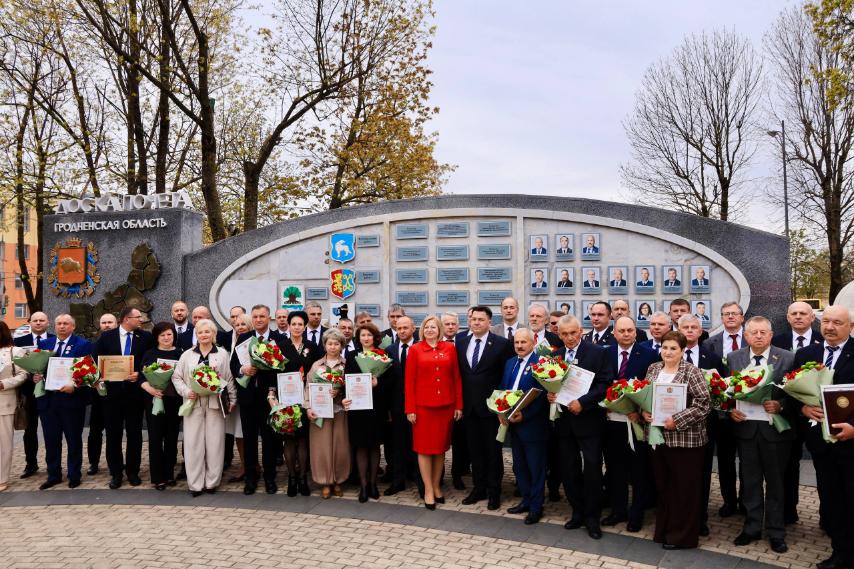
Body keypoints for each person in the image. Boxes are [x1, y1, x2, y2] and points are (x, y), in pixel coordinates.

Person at [727, 316, 794, 554]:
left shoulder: (787, 357)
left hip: (774, 431)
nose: (758, 336)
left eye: (763, 332)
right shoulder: (734, 358)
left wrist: (781, 405)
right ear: (745, 335)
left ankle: (776, 532)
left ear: (771, 335)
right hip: (746, 430)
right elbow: (727, 392)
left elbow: (796, 394)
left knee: (776, 483)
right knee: (750, 481)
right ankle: (752, 527)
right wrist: (730, 410)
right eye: (753, 332)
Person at [794, 305, 854, 569]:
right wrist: (803, 408)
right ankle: (841, 553)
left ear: (851, 327)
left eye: (837, 323)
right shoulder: (807, 354)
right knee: (831, 499)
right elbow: (789, 392)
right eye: (826, 321)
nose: (829, 327)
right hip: (821, 445)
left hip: (851, 444)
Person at [640, 330, 710, 550]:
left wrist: (677, 420)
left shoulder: (692, 372)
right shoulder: (653, 369)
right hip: (658, 438)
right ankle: (664, 530)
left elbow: (704, 404)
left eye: (673, 348)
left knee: (684, 489)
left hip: (685, 441)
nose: (668, 352)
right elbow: (645, 395)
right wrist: (644, 412)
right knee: (664, 486)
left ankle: (683, 537)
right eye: (665, 347)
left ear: (682, 351)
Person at [548, 314, 613, 540]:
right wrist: (551, 394)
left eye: (573, 333)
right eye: (564, 334)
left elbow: (605, 384)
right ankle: (577, 511)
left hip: (590, 421)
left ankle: (592, 517)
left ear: (581, 331)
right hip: (565, 424)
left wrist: (583, 403)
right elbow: (551, 384)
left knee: (592, 469)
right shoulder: (555, 356)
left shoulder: (598, 353)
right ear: (559, 334)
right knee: (569, 469)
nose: (569, 338)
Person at [602, 317, 657, 531]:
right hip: (610, 423)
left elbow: (651, 388)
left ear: (636, 332)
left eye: (630, 330)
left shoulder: (649, 355)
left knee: (638, 472)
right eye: (622, 330)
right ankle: (618, 511)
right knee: (615, 469)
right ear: (614, 333)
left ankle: (636, 514)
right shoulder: (604, 354)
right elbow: (600, 383)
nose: (626, 334)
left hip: (636, 423)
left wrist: (640, 411)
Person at [772, 300, 823, 525]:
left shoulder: (823, 341)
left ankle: (827, 515)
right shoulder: (777, 341)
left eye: (803, 313)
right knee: (789, 466)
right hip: (788, 413)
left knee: (823, 467)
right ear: (788, 317)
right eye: (794, 313)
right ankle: (788, 512)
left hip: (818, 416)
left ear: (812, 318)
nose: (799, 317)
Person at [172, 319, 236, 497]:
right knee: (193, 444)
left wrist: (232, 399)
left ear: (213, 334)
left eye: (207, 332)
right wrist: (186, 391)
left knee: (215, 444)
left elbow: (229, 378)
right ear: (197, 335)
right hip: (193, 404)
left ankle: (212, 482)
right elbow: (177, 377)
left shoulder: (222, 354)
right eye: (200, 332)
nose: (204, 335)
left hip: (216, 404)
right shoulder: (187, 355)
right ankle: (195, 484)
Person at [458, 306, 513, 510]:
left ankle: (494, 491)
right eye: (473, 319)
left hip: (492, 410)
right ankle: (478, 488)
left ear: (490, 322)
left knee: (493, 452)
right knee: (475, 451)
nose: (476, 322)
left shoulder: (502, 344)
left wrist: (503, 407)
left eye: (481, 319)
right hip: (469, 408)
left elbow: (506, 376)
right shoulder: (461, 342)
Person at [92, 306, 154, 489]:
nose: (141, 320)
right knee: (113, 435)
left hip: (135, 395)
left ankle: (133, 472)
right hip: (111, 396)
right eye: (138, 317)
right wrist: (99, 377)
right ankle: (116, 473)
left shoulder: (145, 337)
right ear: (127, 319)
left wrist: (140, 373)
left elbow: (150, 361)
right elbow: (95, 360)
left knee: (134, 434)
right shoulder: (106, 337)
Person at [405, 315, 463, 510]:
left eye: (434, 327)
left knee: (440, 449)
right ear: (422, 330)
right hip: (422, 408)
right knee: (424, 449)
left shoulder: (450, 348)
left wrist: (459, 405)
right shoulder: (415, 350)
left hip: (446, 407)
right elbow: (409, 381)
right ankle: (428, 489)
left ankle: (437, 485)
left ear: (440, 330)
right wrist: (410, 409)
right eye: (427, 327)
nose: (430, 330)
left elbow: (456, 378)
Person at [679, 314, 728, 535]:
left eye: (694, 327)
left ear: (701, 332)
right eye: (685, 327)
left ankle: (700, 517)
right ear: (679, 331)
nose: (690, 330)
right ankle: (678, 514)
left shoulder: (713, 358)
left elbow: (721, 391)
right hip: (674, 424)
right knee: (678, 473)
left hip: (704, 424)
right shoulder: (669, 355)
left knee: (702, 472)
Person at [230, 304, 286, 495]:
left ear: (269, 318)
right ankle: (251, 478)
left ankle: (270, 478)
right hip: (248, 398)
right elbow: (233, 364)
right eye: (255, 316)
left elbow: (283, 368)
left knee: (269, 440)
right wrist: (242, 369)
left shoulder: (279, 339)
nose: (259, 320)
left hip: (269, 398)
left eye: (262, 316)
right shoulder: (244, 338)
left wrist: (273, 385)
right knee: (249, 439)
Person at [35, 314, 92, 490]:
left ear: (73, 326)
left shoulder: (83, 345)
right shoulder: (45, 344)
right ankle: (53, 475)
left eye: (66, 323)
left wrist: (74, 385)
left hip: (72, 400)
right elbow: (38, 367)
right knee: (51, 440)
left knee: (73, 440)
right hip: (49, 401)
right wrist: (36, 376)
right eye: (59, 323)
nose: (61, 326)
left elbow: (88, 371)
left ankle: (74, 475)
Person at [501, 328, 548, 524]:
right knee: (519, 466)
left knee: (535, 467)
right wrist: (501, 411)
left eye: (523, 342)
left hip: (533, 425)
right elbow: (504, 389)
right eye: (516, 342)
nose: (519, 346)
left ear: (533, 343)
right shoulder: (510, 363)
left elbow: (543, 397)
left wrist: (525, 415)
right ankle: (526, 500)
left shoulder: (541, 364)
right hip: (513, 424)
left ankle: (536, 507)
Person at [344, 323, 390, 502]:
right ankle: (363, 485)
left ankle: (373, 484)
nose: (366, 338)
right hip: (358, 408)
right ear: (358, 338)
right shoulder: (352, 355)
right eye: (363, 335)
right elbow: (346, 380)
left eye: (369, 335)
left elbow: (391, 381)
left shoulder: (383, 355)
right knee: (361, 446)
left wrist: (379, 383)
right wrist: (345, 398)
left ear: (375, 337)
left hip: (377, 407)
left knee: (374, 446)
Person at [275, 310, 318, 496]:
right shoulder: (280, 346)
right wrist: (272, 395)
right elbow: (273, 371)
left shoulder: (312, 346)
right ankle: (292, 477)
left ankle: (302, 478)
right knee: (289, 439)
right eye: (294, 324)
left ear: (305, 326)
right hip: (286, 399)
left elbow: (318, 370)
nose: (297, 327)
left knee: (303, 439)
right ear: (289, 326)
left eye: (300, 324)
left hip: (305, 398)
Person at [305, 329, 352, 499]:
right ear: (324, 345)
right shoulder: (316, 366)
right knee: (322, 448)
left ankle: (338, 480)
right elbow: (308, 388)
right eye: (330, 343)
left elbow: (353, 388)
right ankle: (325, 481)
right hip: (320, 413)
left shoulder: (347, 365)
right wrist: (308, 407)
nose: (333, 347)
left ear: (342, 346)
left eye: (336, 343)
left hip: (339, 411)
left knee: (340, 447)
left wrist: (340, 392)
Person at [140, 322, 184, 490]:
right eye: (162, 335)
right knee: (156, 438)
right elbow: (141, 377)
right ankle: (158, 477)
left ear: (174, 335)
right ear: (157, 337)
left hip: (174, 401)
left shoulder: (181, 353)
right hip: (154, 400)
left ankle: (169, 474)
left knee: (172, 438)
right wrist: (151, 389)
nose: (166, 338)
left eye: (169, 334)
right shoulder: (149, 353)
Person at [13, 311, 53, 479]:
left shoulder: (54, 340)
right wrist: (31, 376)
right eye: (35, 320)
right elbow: (16, 367)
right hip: (28, 393)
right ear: (29, 323)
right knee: (29, 431)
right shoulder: (19, 342)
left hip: (50, 392)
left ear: (48, 323)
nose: (38, 323)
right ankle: (31, 464)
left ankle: (52, 465)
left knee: (51, 431)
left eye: (41, 320)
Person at [384, 316, 420, 496]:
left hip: (419, 404)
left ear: (413, 328)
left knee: (418, 444)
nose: (402, 331)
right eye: (399, 328)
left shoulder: (421, 348)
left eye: (406, 327)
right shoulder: (389, 350)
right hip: (397, 405)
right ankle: (398, 481)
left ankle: (419, 479)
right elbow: (387, 380)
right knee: (397, 444)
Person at [225, 312, 253, 484]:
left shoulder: (254, 341)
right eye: (237, 325)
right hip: (233, 393)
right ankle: (244, 464)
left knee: (248, 432)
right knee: (238, 432)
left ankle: (253, 465)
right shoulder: (230, 342)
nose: (240, 327)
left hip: (250, 393)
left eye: (243, 324)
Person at [87, 313, 116, 475]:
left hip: (116, 393)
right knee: (95, 431)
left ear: (116, 324)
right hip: (97, 393)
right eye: (104, 322)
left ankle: (114, 463)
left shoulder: (120, 343)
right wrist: (92, 379)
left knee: (113, 432)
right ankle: (93, 462)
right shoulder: (93, 344)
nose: (107, 325)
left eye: (110, 322)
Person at [0, 322, 28, 492]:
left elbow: (23, 374)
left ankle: (2, 477)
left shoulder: (15, 351)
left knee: (3, 443)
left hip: (4, 402)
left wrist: (4, 384)